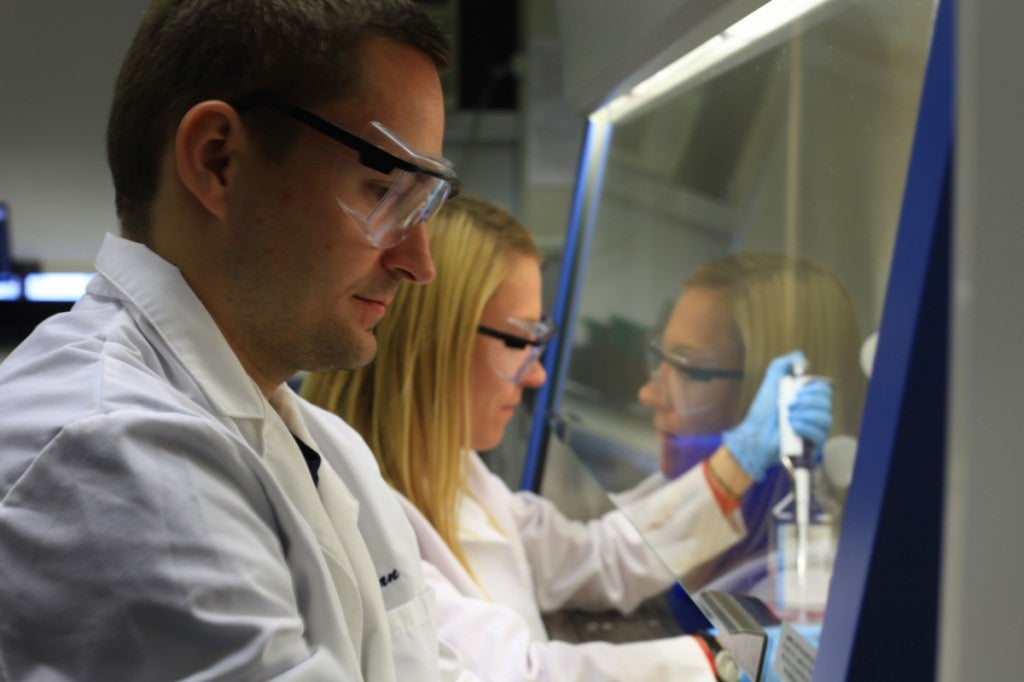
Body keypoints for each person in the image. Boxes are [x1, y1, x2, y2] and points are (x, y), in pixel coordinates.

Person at [0, 2, 461, 680]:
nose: (419, 264)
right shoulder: (112, 452)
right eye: (383, 189)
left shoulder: (325, 445)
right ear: (218, 160)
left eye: (423, 206)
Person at [302, 195, 832, 680]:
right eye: (520, 341)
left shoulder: (456, 473)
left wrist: (736, 461)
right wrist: (719, 661)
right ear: (432, 339)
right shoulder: (352, 512)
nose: (537, 377)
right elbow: (521, 674)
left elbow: (595, 556)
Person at [637, 251, 867, 592]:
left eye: (688, 369)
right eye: (661, 360)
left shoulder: (801, 582)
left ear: (778, 400)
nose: (648, 395)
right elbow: (602, 555)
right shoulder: (671, 489)